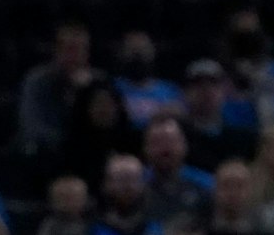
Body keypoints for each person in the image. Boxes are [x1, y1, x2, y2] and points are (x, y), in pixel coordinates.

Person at [21, 22, 98, 155]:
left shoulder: (97, 82)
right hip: (49, 152)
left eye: (82, 49)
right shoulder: (37, 81)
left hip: (89, 152)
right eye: (70, 49)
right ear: (57, 50)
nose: (76, 56)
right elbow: (32, 126)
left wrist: (83, 92)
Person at [181, 61, 257, 173]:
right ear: (186, 92)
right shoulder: (180, 136)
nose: (206, 90)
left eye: (213, 83)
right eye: (198, 84)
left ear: (224, 90)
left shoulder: (241, 135)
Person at [62, 81, 139, 185]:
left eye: (109, 104)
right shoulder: (71, 146)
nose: (104, 109)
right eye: (98, 104)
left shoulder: (132, 141)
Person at [142, 119, 212, 229]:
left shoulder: (206, 184)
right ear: (146, 148)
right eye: (157, 142)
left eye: (171, 141)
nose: (165, 149)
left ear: (184, 146)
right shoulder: (136, 185)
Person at [116, 33, 184, 130]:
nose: (138, 56)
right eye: (133, 51)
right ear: (123, 53)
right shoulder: (113, 88)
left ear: (152, 53)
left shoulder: (170, 90)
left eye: (142, 50)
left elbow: (182, 115)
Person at [94, 155, 157, 235]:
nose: (128, 187)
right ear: (107, 184)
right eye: (121, 180)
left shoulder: (155, 225)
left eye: (134, 179)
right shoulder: (91, 226)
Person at [202, 162, 256, 235]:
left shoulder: (262, 226)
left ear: (250, 190)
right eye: (226, 185)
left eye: (239, 186)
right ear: (214, 189)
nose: (233, 192)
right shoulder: (198, 225)